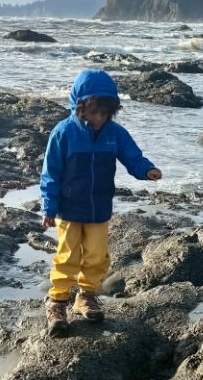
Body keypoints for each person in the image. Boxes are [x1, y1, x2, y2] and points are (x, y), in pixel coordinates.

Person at [39, 70, 161, 333]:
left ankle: (86, 295)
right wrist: (49, 207)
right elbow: (50, 173)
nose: (99, 119)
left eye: (105, 113)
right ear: (80, 107)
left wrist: (146, 170)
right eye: (94, 113)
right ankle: (57, 301)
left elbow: (132, 156)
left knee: (97, 255)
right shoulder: (63, 133)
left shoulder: (114, 133)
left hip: (99, 207)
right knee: (67, 256)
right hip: (68, 209)